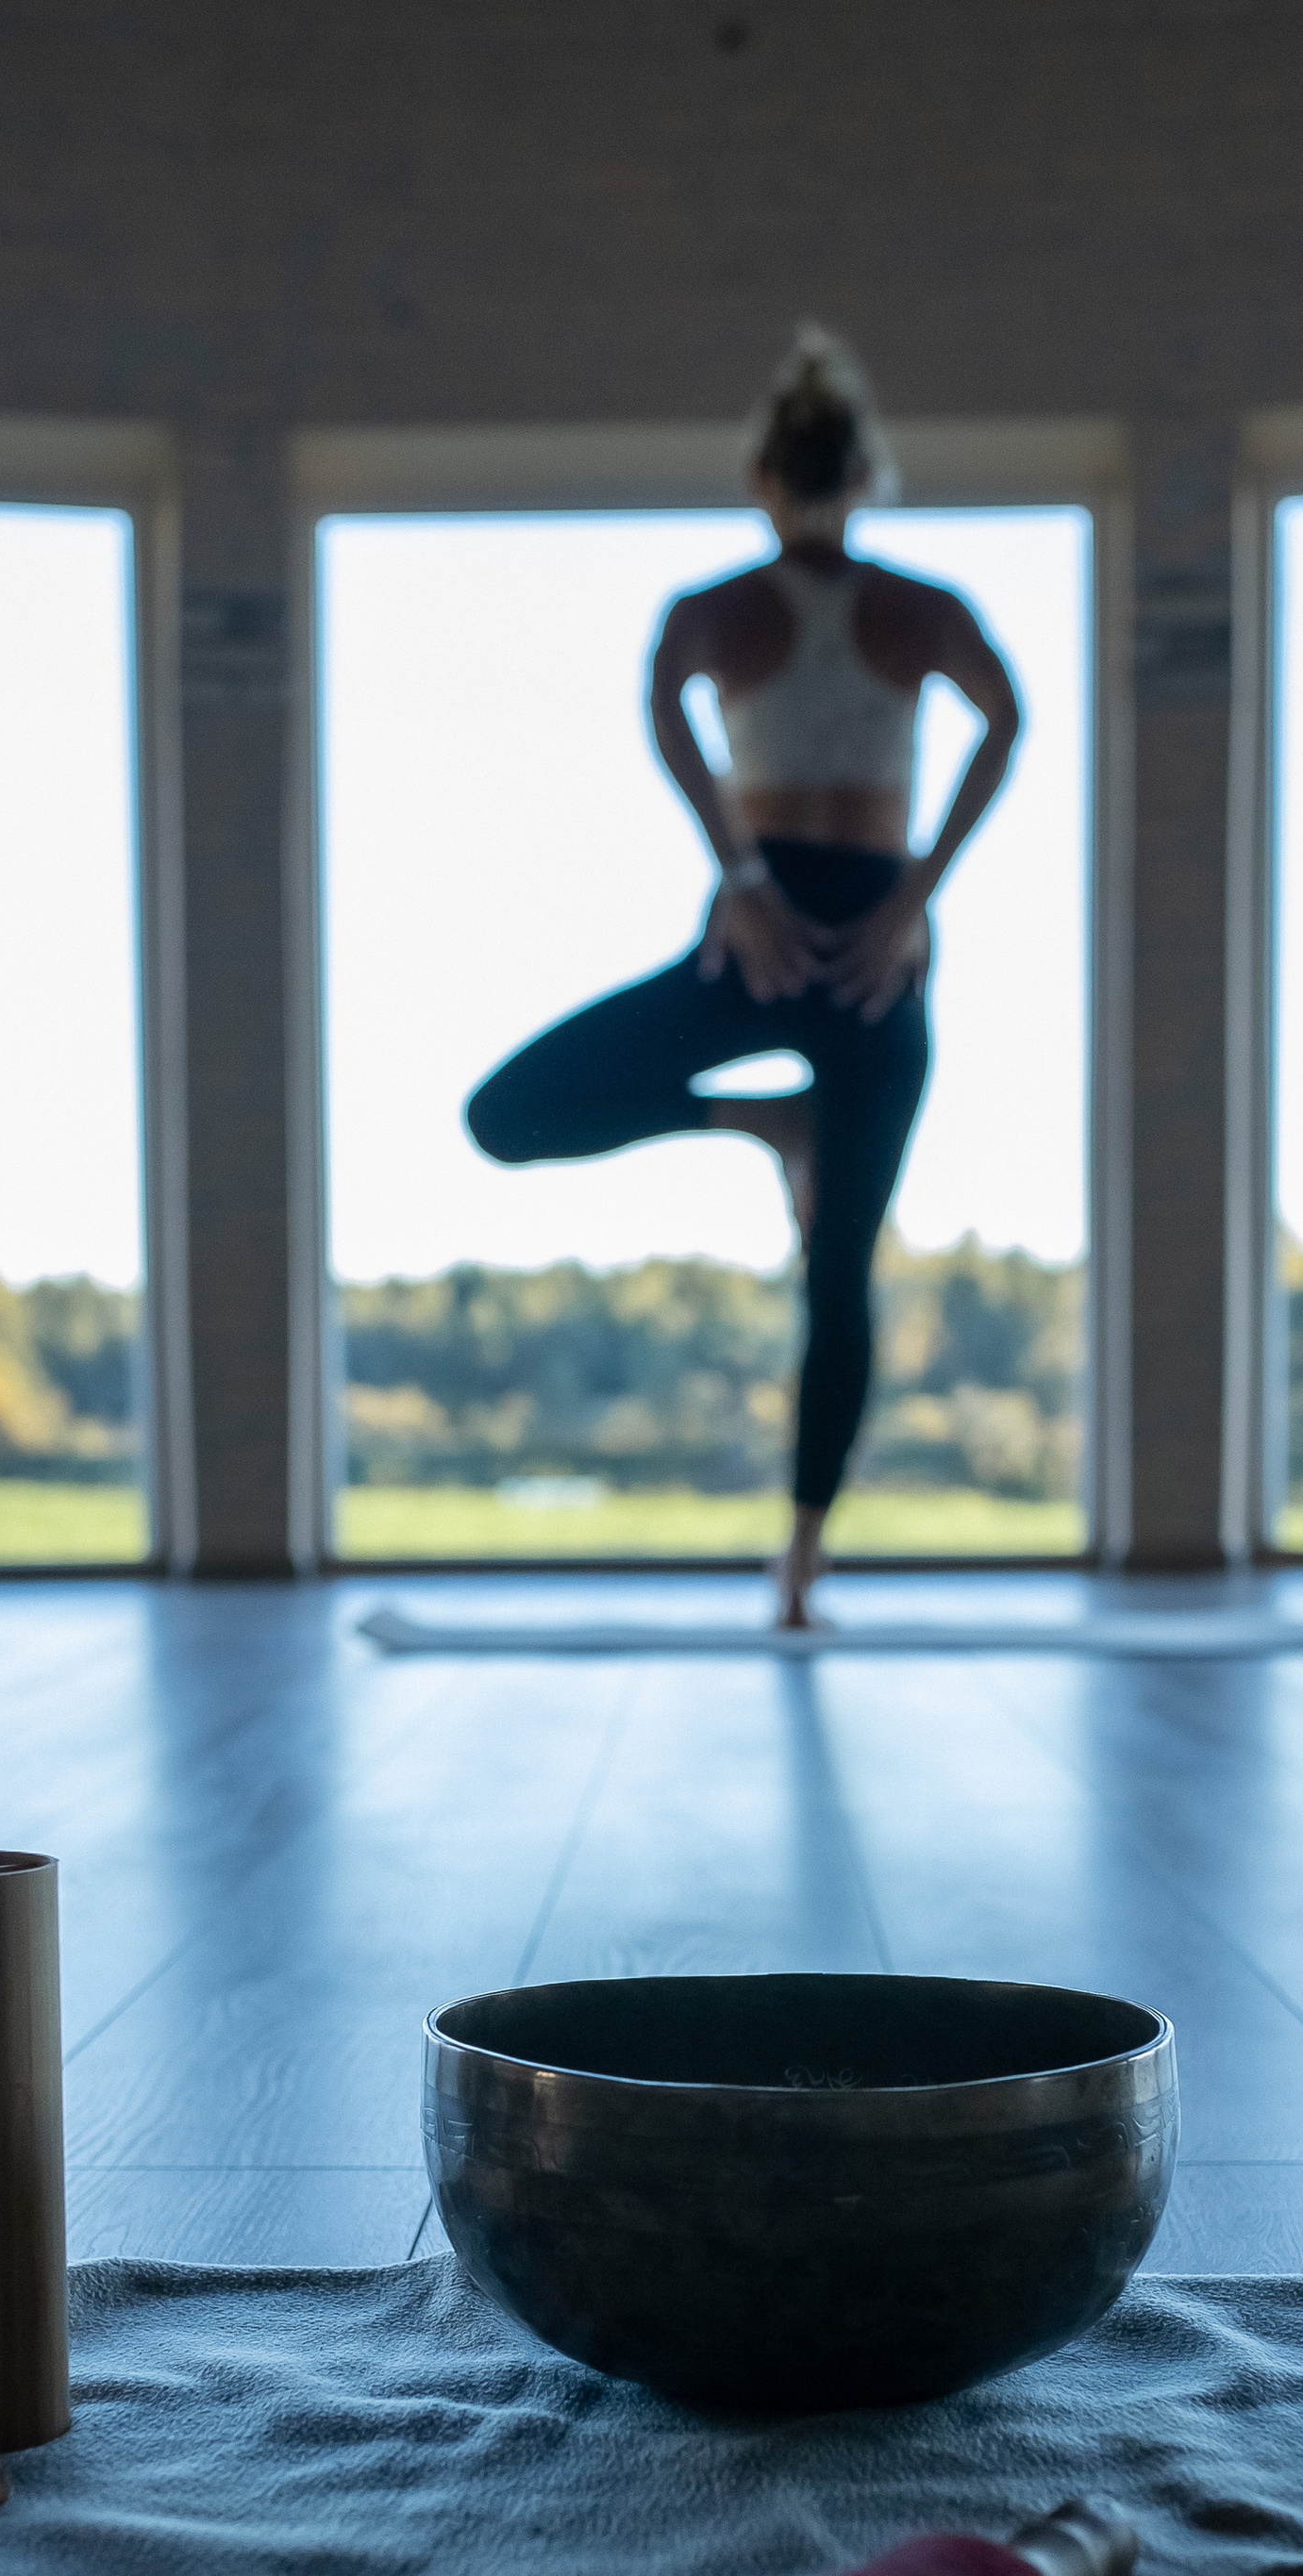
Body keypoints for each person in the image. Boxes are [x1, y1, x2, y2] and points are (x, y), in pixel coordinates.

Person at [464, 330, 1023, 1628]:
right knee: (513, 1119)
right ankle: (766, 1119)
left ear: (764, 471)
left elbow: (671, 702)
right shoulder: (896, 613)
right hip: (797, 930)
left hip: (840, 938)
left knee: (841, 1270)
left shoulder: (733, 614)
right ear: (856, 472)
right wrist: (773, 880)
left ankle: (802, 1561)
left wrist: (902, 893)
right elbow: (1005, 717)